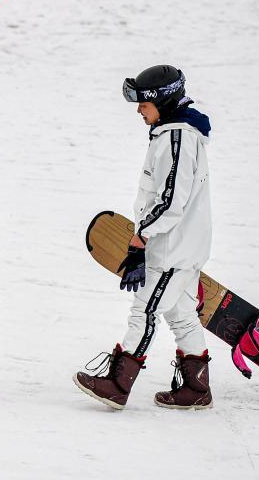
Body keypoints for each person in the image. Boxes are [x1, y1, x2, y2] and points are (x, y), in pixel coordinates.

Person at [74, 65, 214, 409]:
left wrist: (141, 239)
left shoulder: (176, 139)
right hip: (178, 246)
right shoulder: (171, 135)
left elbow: (170, 202)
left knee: (145, 312)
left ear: (163, 102)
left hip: (172, 249)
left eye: (143, 104)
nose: (139, 110)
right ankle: (196, 389)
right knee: (180, 315)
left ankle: (118, 384)